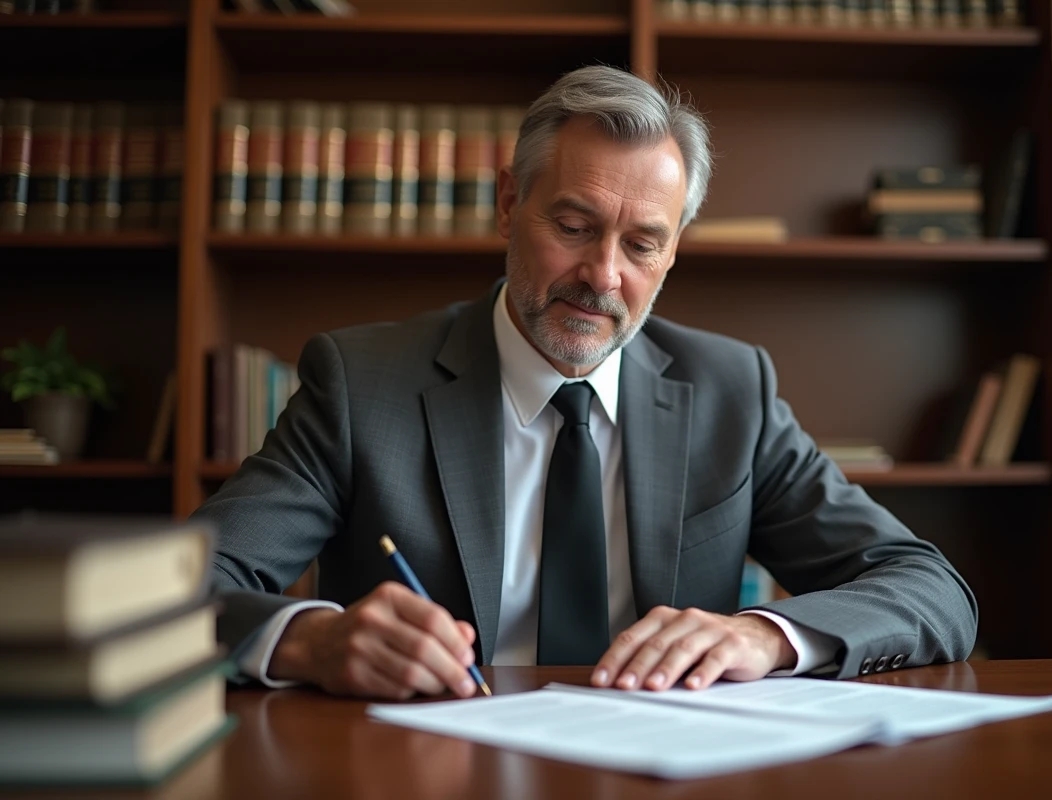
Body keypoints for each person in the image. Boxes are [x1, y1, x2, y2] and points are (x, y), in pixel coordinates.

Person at [199, 65, 977, 702]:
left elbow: (929, 589)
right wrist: (311, 639)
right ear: (509, 203)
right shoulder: (361, 383)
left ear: (673, 253)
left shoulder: (731, 391)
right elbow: (184, 585)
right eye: (573, 228)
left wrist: (763, 634)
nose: (602, 276)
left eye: (642, 244)